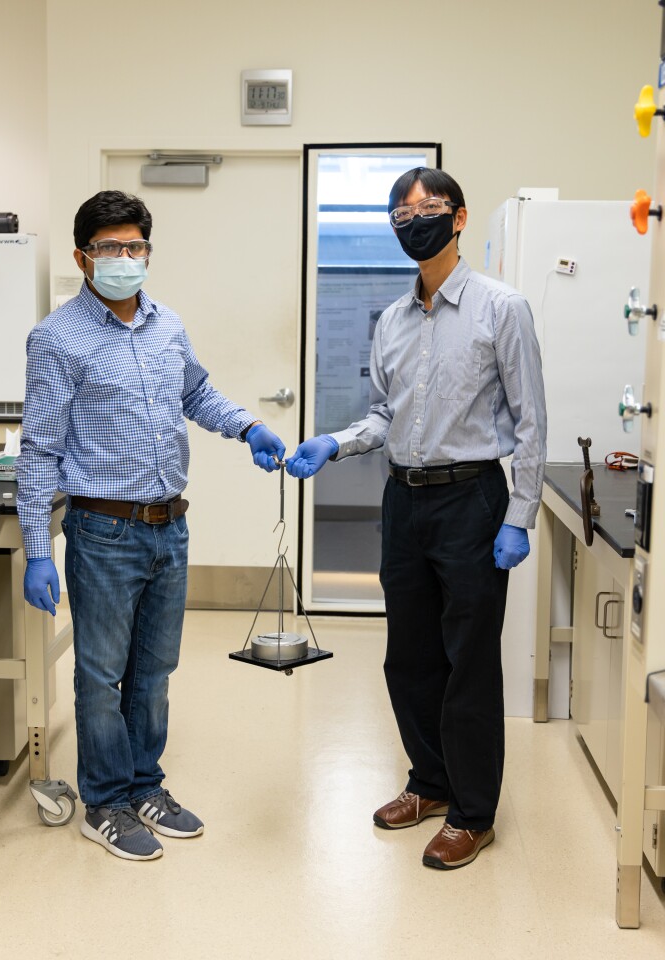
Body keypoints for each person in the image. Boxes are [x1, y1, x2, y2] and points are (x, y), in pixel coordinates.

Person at [286, 168, 547, 870]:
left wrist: (519, 514)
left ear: (458, 219)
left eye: (428, 209)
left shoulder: (502, 308)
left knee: (469, 662)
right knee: (410, 656)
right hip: (403, 500)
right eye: (401, 215)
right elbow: (383, 414)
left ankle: (473, 813)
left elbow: (531, 420)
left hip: (472, 500)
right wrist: (335, 441)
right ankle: (430, 782)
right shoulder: (393, 320)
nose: (415, 222)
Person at [17, 190, 285, 861]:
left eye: (134, 245)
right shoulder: (56, 339)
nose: (124, 257)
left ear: (148, 251)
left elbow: (196, 393)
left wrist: (248, 425)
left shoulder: (168, 326)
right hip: (103, 531)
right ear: (82, 256)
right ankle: (104, 802)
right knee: (101, 674)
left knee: (154, 670)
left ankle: (144, 787)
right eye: (109, 247)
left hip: (170, 527)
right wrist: (36, 549)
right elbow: (40, 450)